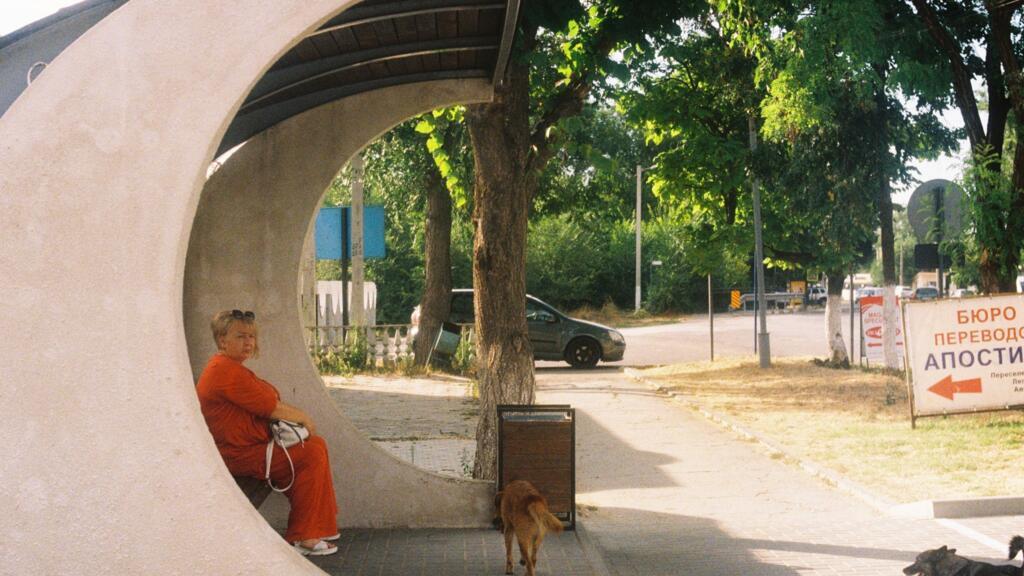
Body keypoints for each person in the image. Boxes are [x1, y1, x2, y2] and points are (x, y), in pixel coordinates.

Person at [196, 309, 340, 556]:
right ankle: (305, 536)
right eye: (241, 336)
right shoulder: (224, 371)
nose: (249, 342)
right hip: (238, 455)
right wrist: (306, 420)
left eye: (251, 336)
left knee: (314, 448)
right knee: (312, 451)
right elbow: (271, 406)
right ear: (222, 340)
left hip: (246, 450)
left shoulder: (226, 366)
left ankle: (316, 525)